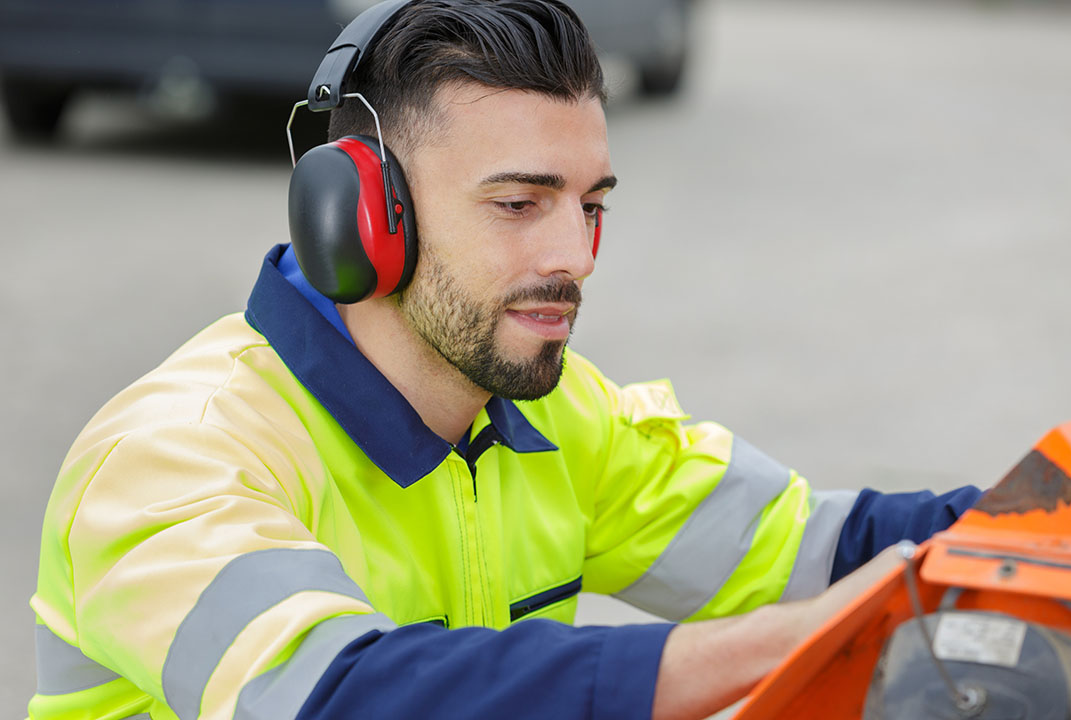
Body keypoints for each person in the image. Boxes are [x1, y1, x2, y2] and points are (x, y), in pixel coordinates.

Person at [26, 1, 982, 719]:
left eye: (591, 203)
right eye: (519, 203)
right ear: (363, 215)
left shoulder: (556, 414)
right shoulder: (168, 461)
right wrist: (776, 644)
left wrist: (1045, 508)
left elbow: (824, 549)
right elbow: (349, 697)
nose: (573, 255)